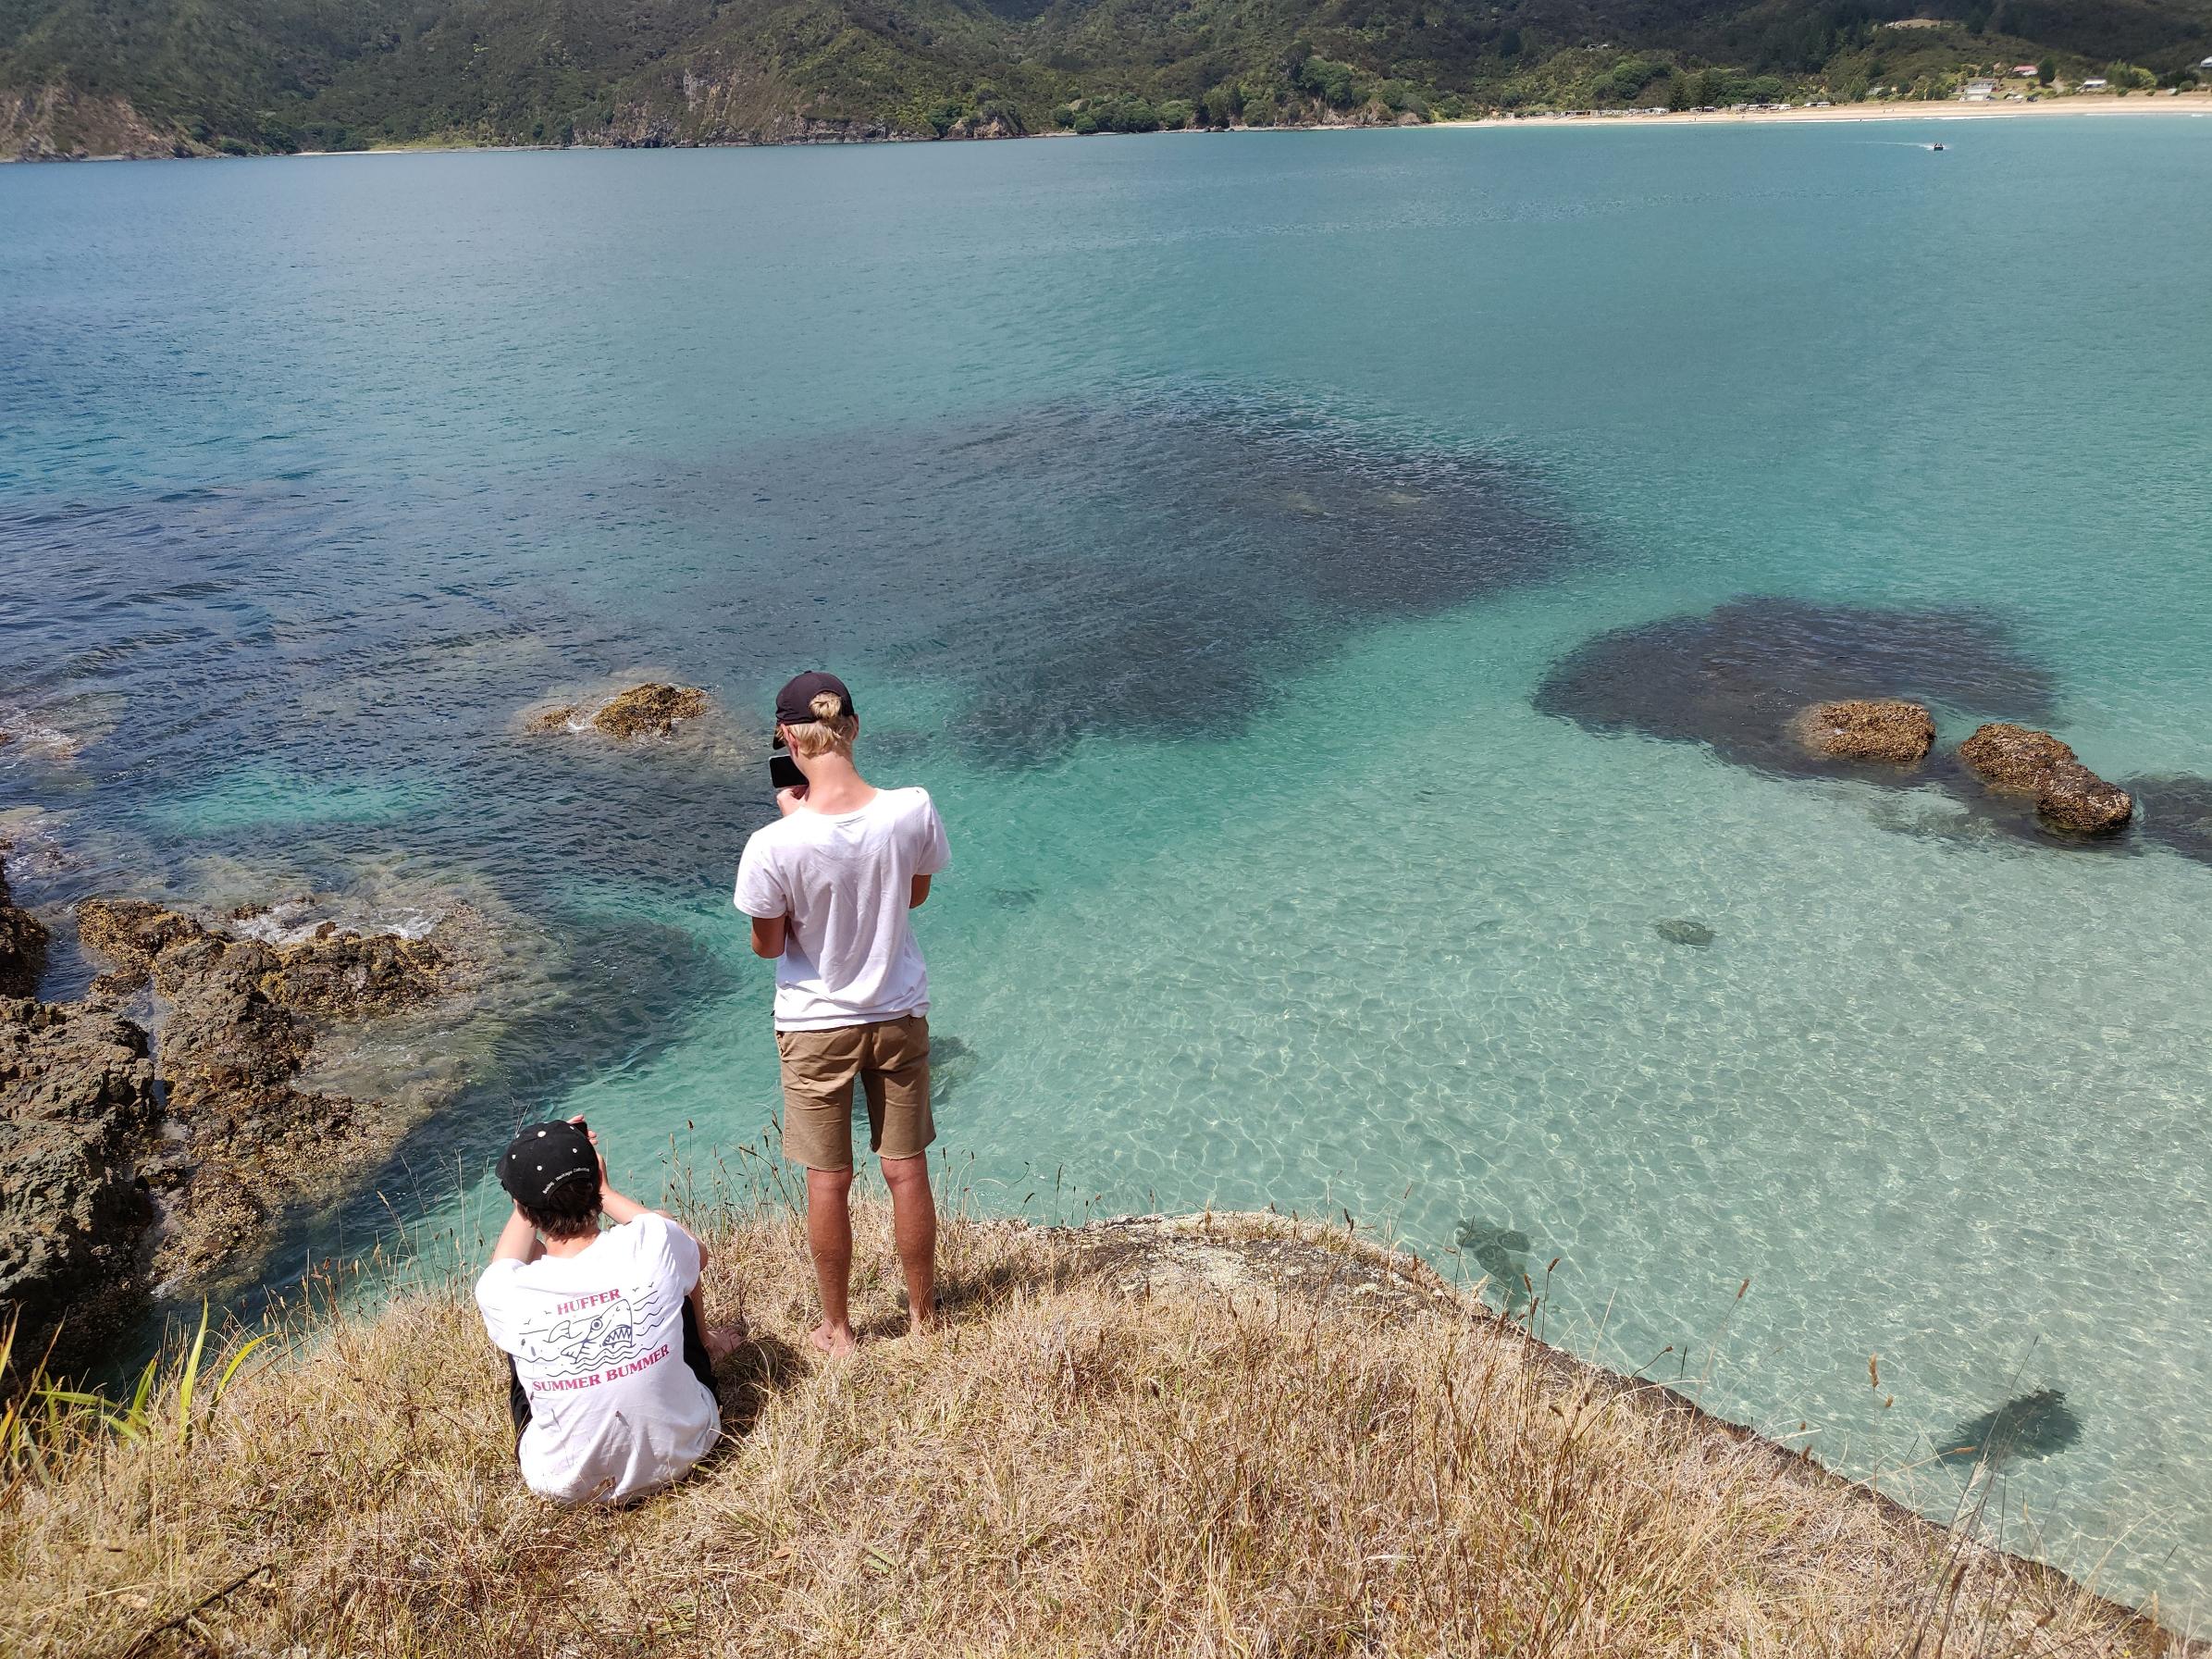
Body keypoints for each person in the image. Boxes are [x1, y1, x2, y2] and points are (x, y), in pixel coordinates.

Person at [734, 671, 951, 1357]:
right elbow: (912, 896)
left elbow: (768, 944)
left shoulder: (773, 845)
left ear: (787, 739)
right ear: (853, 728)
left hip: (813, 1024)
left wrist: (796, 825)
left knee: (828, 1180)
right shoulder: (911, 808)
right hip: (896, 1011)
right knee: (906, 1167)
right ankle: (923, 1320)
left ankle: (838, 1328)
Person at [475, 1116, 743, 1504]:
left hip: (568, 1486)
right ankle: (708, 1342)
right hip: (689, 1448)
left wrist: (530, 1182)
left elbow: (507, 1261)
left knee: (519, 1329)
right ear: (596, 1177)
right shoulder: (655, 1241)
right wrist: (603, 1189)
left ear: (525, 1211)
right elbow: (696, 1254)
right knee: (674, 1269)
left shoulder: (503, 1289)